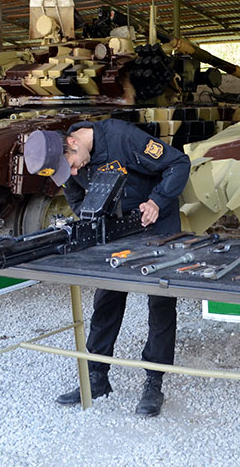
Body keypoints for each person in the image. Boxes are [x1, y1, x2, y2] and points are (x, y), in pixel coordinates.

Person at [23, 119, 190, 417]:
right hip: (115, 228)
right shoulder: (66, 161)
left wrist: (157, 201)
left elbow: (178, 163)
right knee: (106, 298)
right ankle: (97, 378)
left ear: (72, 142)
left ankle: (154, 381)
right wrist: (90, 224)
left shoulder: (123, 137)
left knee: (160, 301)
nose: (73, 172)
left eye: (71, 165)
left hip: (155, 221)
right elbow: (74, 193)